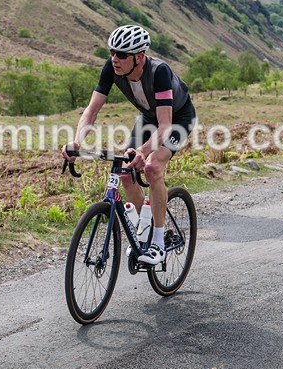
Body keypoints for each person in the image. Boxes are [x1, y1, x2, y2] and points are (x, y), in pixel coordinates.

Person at [62, 25, 196, 266]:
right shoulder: (111, 68)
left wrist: (144, 151)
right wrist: (77, 142)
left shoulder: (160, 72)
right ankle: (143, 229)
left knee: (152, 167)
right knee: (125, 173)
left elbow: (165, 125)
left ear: (139, 57)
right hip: (148, 118)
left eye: (122, 55)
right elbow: (91, 112)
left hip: (178, 119)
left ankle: (158, 242)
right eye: (113, 52)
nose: (115, 59)